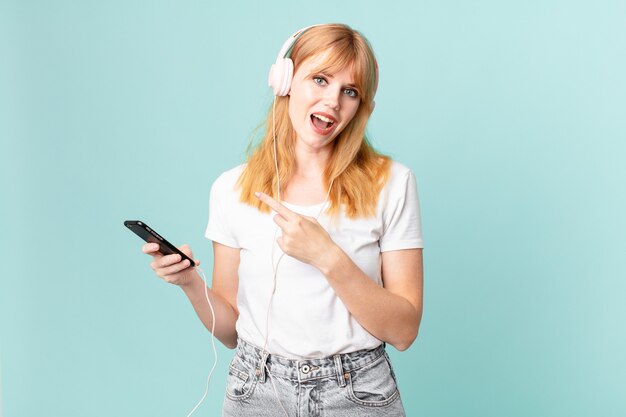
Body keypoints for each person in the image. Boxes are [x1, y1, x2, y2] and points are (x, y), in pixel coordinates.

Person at [142, 23, 424, 417]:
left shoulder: (392, 183)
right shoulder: (231, 189)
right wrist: (190, 283)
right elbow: (229, 332)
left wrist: (328, 257)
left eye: (350, 91)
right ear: (285, 81)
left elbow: (404, 331)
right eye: (320, 79)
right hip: (256, 389)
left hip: (356, 393)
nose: (332, 101)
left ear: (362, 107)